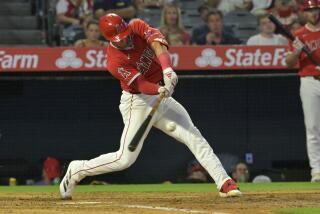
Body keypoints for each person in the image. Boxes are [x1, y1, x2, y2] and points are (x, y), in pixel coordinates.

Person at [60, 13, 242, 199]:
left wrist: (167, 70)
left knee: (193, 136)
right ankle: (77, 169)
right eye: (120, 39)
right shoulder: (114, 61)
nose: (125, 39)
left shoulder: (136, 26)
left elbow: (157, 44)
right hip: (137, 102)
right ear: (109, 39)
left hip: (159, 97)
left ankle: (224, 182)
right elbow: (141, 85)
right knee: (125, 159)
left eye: (125, 34)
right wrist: (159, 89)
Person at [285, 0, 320, 182]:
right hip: (309, 80)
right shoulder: (298, 35)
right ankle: (316, 170)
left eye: (315, 9)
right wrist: (297, 51)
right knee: (312, 126)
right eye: (309, 10)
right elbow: (289, 63)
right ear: (304, 13)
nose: (313, 13)